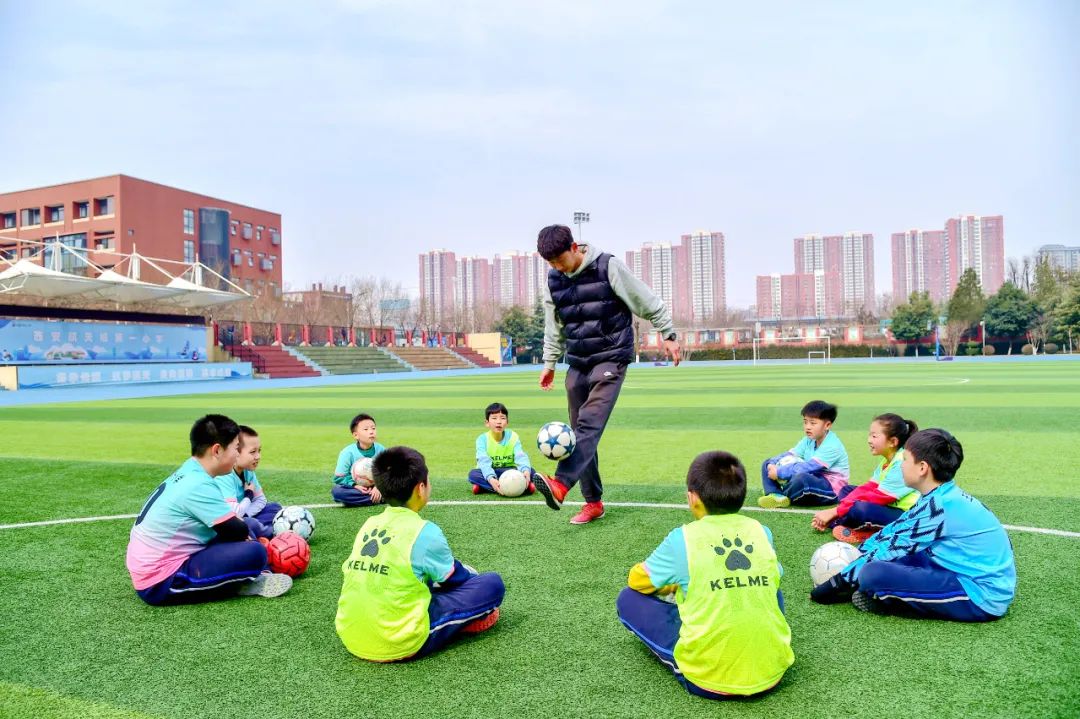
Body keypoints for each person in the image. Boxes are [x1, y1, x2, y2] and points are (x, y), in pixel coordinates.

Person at [531, 224, 681, 525]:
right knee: (576, 434)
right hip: (578, 361)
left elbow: (644, 298)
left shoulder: (607, 265)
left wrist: (668, 332)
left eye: (560, 260)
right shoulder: (553, 280)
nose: (557, 267)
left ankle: (560, 484)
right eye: (550, 263)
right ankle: (593, 502)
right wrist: (549, 363)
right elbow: (554, 325)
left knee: (589, 423)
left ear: (575, 248)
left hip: (611, 358)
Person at [616, 451, 794, 698]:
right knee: (772, 589)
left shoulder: (683, 539)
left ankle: (701, 654)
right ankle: (762, 647)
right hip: (774, 672)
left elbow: (637, 580)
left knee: (628, 599)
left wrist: (670, 587)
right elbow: (774, 579)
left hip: (708, 680)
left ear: (692, 498)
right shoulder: (761, 531)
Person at [811, 429, 1016, 622]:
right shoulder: (940, 496)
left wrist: (832, 586)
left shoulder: (939, 506)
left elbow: (893, 546)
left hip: (980, 594)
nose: (900, 465)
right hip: (954, 567)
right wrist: (860, 553)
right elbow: (895, 531)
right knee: (892, 559)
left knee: (872, 575)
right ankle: (879, 587)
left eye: (905, 459)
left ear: (922, 468)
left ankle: (888, 600)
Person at [335, 446, 505, 661]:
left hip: (350, 635)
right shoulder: (425, 532)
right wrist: (472, 579)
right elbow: (456, 579)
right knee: (491, 583)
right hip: (397, 640)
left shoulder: (369, 524)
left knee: (418, 578)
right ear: (420, 488)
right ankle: (459, 622)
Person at [125, 414, 292, 605]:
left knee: (247, 532)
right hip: (160, 580)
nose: (238, 455)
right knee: (255, 552)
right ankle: (243, 580)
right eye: (236, 448)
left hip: (165, 562)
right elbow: (237, 530)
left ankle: (251, 574)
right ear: (217, 450)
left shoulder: (190, 471)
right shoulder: (197, 484)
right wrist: (252, 539)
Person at [811, 413, 920, 544]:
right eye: (870, 435)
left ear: (893, 442)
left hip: (908, 517)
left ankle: (866, 534)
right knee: (847, 490)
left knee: (860, 508)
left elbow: (878, 497)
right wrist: (838, 511)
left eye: (874, 436)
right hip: (890, 508)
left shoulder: (901, 461)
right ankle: (844, 522)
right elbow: (869, 487)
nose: (869, 440)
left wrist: (836, 511)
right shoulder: (887, 461)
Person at [758, 400, 849, 508]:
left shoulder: (832, 445)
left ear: (827, 425)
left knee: (802, 479)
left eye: (813, 423)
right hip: (812, 477)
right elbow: (790, 454)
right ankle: (775, 494)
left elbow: (809, 467)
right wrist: (772, 463)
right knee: (767, 463)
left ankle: (778, 490)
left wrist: (779, 472)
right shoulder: (808, 440)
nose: (807, 427)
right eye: (805, 422)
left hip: (830, 489)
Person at [215, 425, 282, 539]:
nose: (258, 456)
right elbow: (235, 512)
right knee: (250, 524)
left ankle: (260, 532)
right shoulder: (224, 474)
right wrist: (248, 495)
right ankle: (272, 533)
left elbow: (261, 499)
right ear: (236, 452)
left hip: (243, 515)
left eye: (259, 451)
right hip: (227, 522)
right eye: (253, 452)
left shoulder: (248, 470)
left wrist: (246, 515)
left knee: (275, 508)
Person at [468, 402, 536, 496]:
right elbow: (483, 461)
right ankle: (523, 488)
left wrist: (525, 470)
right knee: (473, 475)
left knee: (531, 471)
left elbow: (520, 455)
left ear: (507, 422)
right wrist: (491, 478)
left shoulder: (513, 436)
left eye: (502, 418)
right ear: (487, 423)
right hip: (492, 470)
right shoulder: (482, 439)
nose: (499, 421)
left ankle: (485, 487)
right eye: (494, 418)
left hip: (510, 471)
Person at [332, 413, 387, 507]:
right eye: (366, 429)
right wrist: (355, 485)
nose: (371, 432)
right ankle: (380, 498)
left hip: (378, 486)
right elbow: (339, 478)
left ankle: (374, 497)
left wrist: (378, 487)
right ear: (356, 435)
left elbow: (388, 473)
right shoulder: (347, 453)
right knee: (337, 491)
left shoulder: (381, 450)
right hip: (356, 488)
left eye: (373, 428)